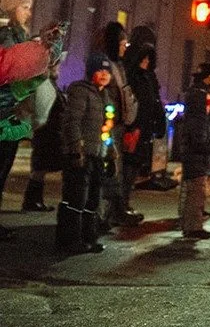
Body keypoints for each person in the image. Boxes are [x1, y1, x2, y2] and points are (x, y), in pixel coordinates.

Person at [56, 52, 115, 254]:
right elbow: (73, 121)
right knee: (76, 198)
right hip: (81, 154)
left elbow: (107, 127)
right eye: (100, 70)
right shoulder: (80, 91)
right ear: (91, 72)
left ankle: (89, 237)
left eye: (108, 70)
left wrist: (111, 152)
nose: (105, 74)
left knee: (93, 199)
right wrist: (75, 149)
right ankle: (69, 240)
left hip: (98, 154)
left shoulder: (105, 95)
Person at [93, 22, 139, 228]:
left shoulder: (119, 66)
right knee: (106, 169)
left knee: (114, 170)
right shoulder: (103, 65)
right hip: (106, 126)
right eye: (122, 43)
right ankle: (99, 215)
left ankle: (109, 214)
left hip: (118, 125)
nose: (124, 47)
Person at [0, 0, 36, 239]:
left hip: (14, 109)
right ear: (14, 9)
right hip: (5, 109)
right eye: (25, 7)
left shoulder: (19, 36)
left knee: (4, 166)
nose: (28, 13)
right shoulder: (7, 36)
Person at [123, 41, 166, 211]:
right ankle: (121, 203)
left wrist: (159, 121)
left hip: (144, 128)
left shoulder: (149, 78)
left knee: (134, 166)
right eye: (144, 58)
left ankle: (125, 201)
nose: (146, 62)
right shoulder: (134, 76)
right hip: (134, 128)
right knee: (129, 166)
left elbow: (155, 102)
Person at [178, 63, 210, 240]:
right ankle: (194, 226)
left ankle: (189, 223)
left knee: (191, 186)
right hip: (196, 149)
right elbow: (200, 123)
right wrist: (206, 144)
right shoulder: (201, 96)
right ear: (208, 77)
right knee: (196, 187)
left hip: (191, 147)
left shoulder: (192, 93)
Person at [21, 62, 65, 211]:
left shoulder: (51, 84)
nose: (58, 70)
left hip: (49, 133)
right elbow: (42, 110)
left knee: (41, 168)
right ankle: (33, 200)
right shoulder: (46, 84)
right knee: (40, 168)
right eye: (56, 67)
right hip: (47, 133)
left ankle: (34, 200)